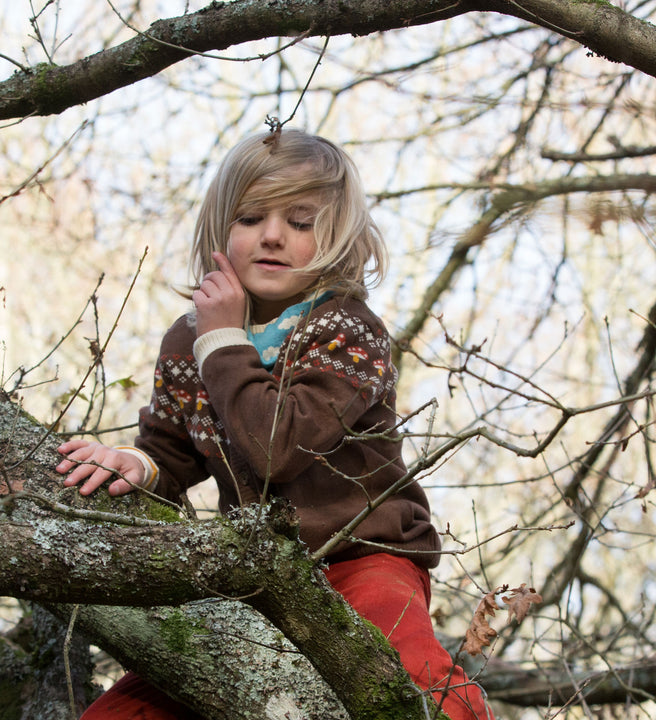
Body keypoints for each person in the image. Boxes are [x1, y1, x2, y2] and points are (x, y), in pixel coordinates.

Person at [56, 128, 492, 720]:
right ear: (219, 231)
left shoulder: (346, 330)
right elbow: (174, 452)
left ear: (337, 239)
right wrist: (139, 465)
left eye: (302, 221)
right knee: (126, 712)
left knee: (407, 677)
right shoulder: (188, 341)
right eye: (251, 216)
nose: (271, 235)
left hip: (363, 557)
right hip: (253, 573)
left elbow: (277, 449)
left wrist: (223, 340)